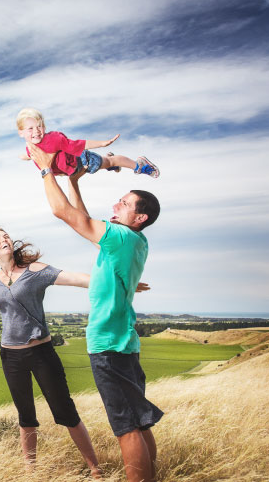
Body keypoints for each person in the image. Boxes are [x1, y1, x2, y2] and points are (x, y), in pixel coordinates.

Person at [0, 228, 145, 477]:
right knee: (25, 416)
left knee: (65, 411)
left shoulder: (35, 271)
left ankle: (95, 469)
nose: (3, 240)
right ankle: (31, 471)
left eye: (5, 236)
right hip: (11, 357)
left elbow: (75, 278)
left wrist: (117, 281)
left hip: (41, 353)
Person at [27, 141, 163, 482]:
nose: (116, 204)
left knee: (126, 428)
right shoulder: (134, 240)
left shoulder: (119, 236)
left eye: (125, 203)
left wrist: (47, 170)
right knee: (139, 422)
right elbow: (87, 223)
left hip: (109, 344)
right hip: (125, 343)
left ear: (140, 216)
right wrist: (73, 181)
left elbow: (66, 215)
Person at [16, 107, 160, 178]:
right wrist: (26, 156)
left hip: (82, 160)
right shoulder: (31, 147)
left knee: (110, 161)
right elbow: (37, 155)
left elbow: (79, 144)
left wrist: (102, 143)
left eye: (39, 126)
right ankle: (111, 162)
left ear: (44, 127)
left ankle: (140, 164)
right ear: (21, 132)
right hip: (73, 170)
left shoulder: (54, 139)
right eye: (30, 129)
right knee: (105, 163)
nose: (36, 131)